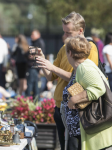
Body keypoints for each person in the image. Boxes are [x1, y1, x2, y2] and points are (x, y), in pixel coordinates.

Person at [33, 12, 99, 150]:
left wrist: (52, 67)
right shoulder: (65, 47)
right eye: (64, 32)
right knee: (64, 146)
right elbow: (51, 76)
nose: (65, 36)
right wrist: (43, 61)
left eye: (69, 33)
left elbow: (83, 79)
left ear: (80, 30)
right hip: (60, 105)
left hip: (76, 108)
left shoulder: (89, 47)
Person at [65, 36, 112, 150]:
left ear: (70, 53)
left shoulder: (84, 68)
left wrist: (73, 100)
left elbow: (98, 88)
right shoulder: (86, 65)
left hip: (98, 134)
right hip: (95, 130)